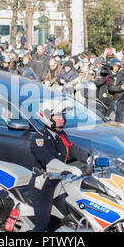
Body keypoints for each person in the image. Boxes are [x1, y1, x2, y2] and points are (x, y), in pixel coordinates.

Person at [29, 99, 89, 232]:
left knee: (68, 218)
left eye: (63, 116)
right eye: (58, 117)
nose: (63, 120)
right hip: (43, 186)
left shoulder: (62, 135)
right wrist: (69, 168)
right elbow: (48, 160)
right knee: (42, 225)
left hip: (60, 183)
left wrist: (91, 159)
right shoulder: (38, 138)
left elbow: (74, 150)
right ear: (47, 117)